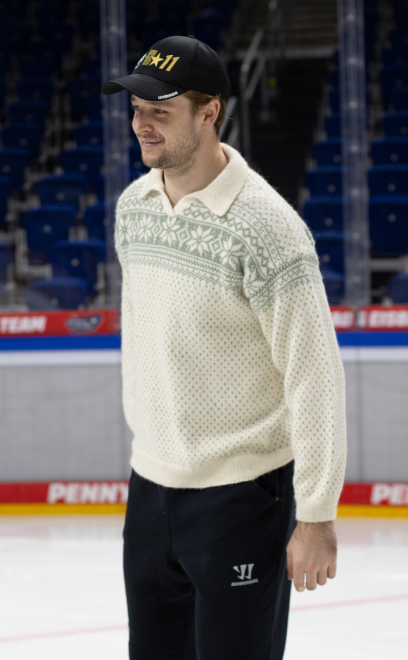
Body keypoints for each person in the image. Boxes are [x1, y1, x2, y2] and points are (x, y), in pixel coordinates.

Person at [102, 35, 346, 660]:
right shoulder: (134, 208)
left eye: (161, 110)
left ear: (209, 112)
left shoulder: (268, 228)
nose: (142, 124)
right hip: (150, 485)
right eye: (137, 109)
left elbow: (314, 377)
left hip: (242, 495)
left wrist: (316, 515)